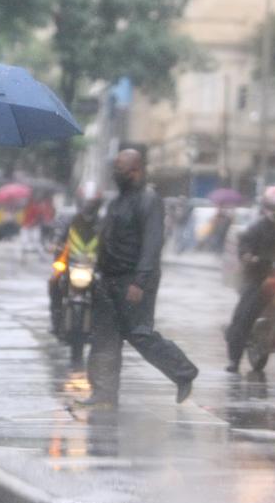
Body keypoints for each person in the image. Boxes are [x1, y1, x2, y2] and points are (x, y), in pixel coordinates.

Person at [77, 149, 199, 407]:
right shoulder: (117, 201)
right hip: (107, 279)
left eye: (121, 168)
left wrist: (139, 282)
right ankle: (103, 392)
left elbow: (152, 244)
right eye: (115, 167)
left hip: (132, 281)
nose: (116, 173)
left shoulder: (149, 200)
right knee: (104, 339)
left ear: (136, 170)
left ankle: (183, 371)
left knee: (139, 334)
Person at [224, 186, 275, 373]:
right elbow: (244, 250)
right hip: (260, 278)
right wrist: (251, 258)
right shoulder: (254, 230)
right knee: (244, 314)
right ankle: (234, 359)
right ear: (265, 207)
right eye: (272, 206)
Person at [49, 181, 102, 335]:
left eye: (92, 204)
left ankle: (101, 327)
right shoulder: (67, 217)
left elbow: (111, 239)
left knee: (105, 290)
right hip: (69, 262)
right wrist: (55, 243)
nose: (88, 207)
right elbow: (58, 232)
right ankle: (56, 319)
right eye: (86, 203)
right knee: (54, 282)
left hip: (94, 265)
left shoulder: (103, 221)